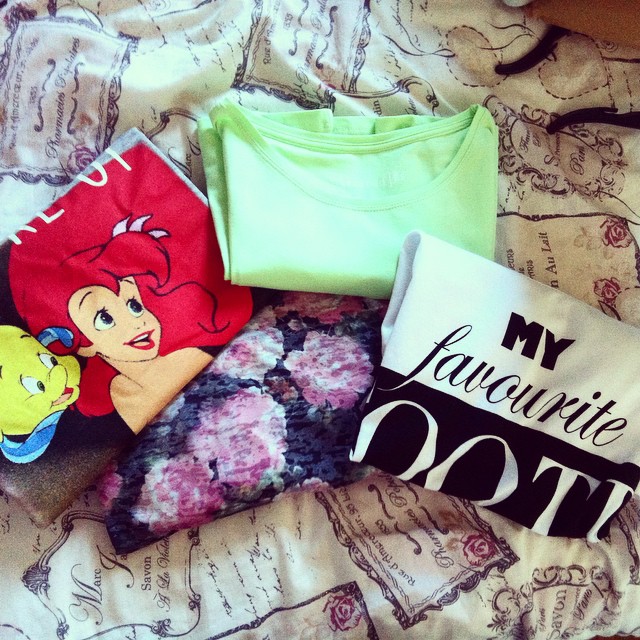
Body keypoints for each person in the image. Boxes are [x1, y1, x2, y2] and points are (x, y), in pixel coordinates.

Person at [9, 213, 244, 433]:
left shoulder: (188, 355)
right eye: (105, 318)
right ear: (83, 344)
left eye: (134, 305)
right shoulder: (113, 398)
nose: (136, 324)